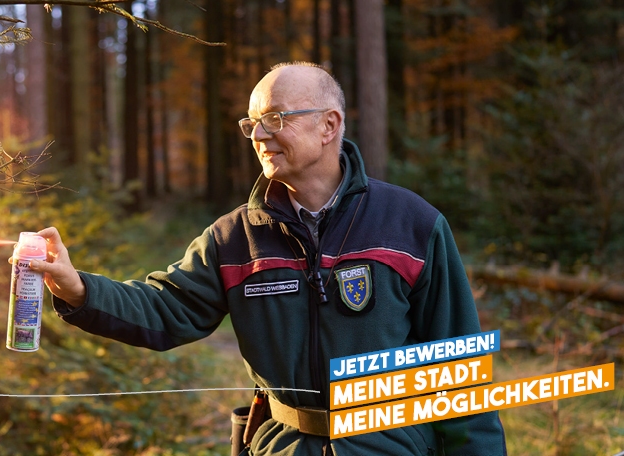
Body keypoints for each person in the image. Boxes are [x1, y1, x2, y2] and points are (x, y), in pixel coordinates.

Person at [25, 62, 507, 455]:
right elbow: (166, 309)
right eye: (251, 122)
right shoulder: (235, 237)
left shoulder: (413, 224)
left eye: (275, 118)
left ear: (329, 125)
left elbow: (459, 365)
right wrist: (77, 289)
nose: (258, 133)